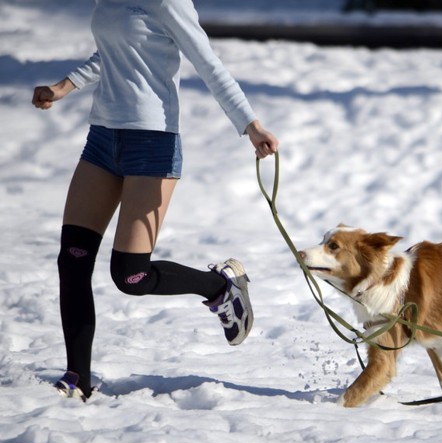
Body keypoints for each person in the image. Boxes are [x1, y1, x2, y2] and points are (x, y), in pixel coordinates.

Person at [31, 0, 279, 401]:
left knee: (131, 276)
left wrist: (250, 126)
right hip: (102, 139)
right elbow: (113, 52)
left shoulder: (169, 2)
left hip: (153, 143)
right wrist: (65, 86)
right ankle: (78, 377)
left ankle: (219, 287)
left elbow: (208, 62)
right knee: (72, 258)